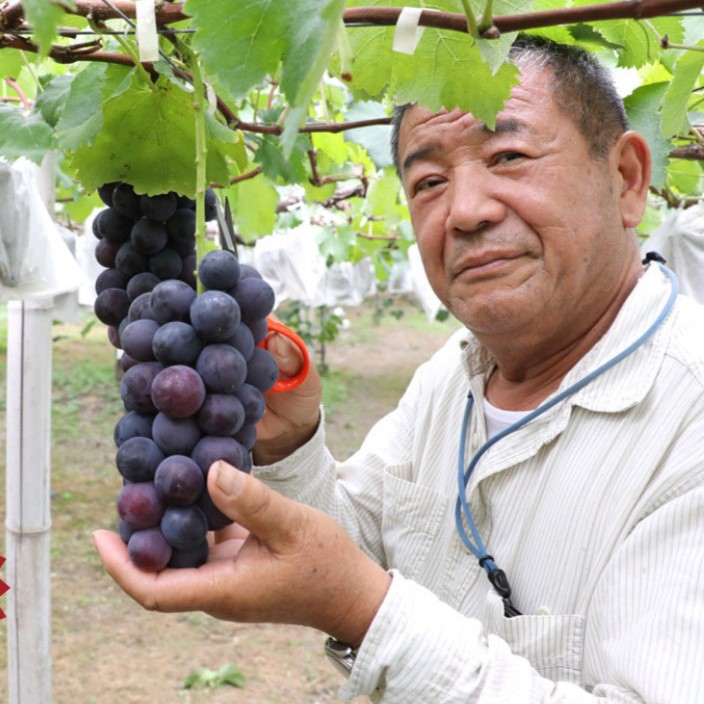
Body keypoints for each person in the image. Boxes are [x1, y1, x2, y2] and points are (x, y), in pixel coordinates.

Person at [93, 35, 704, 702]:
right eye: (430, 182)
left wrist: (362, 611)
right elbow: (360, 544)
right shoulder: (453, 377)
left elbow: (360, 588)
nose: (465, 211)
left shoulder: (688, 418)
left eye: (509, 155)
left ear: (626, 179)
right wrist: (291, 443)